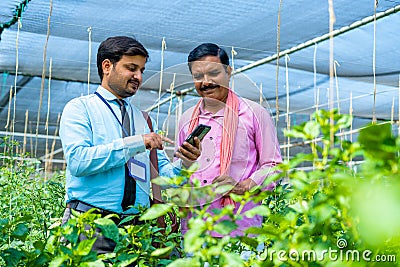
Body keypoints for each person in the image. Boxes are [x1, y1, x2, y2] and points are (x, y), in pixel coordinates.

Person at [59, 36, 200, 253]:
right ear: (107, 66)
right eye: (131, 68)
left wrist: (186, 163)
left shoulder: (142, 119)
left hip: (135, 229)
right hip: (91, 223)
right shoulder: (80, 108)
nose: (138, 76)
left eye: (142, 70)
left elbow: (162, 176)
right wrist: (136, 143)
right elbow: (79, 162)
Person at [176, 43, 282, 237]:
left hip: (240, 229)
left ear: (228, 72)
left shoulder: (254, 114)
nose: (206, 82)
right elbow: (180, 172)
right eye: (198, 76)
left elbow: (274, 166)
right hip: (195, 229)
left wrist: (243, 186)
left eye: (213, 73)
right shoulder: (187, 119)